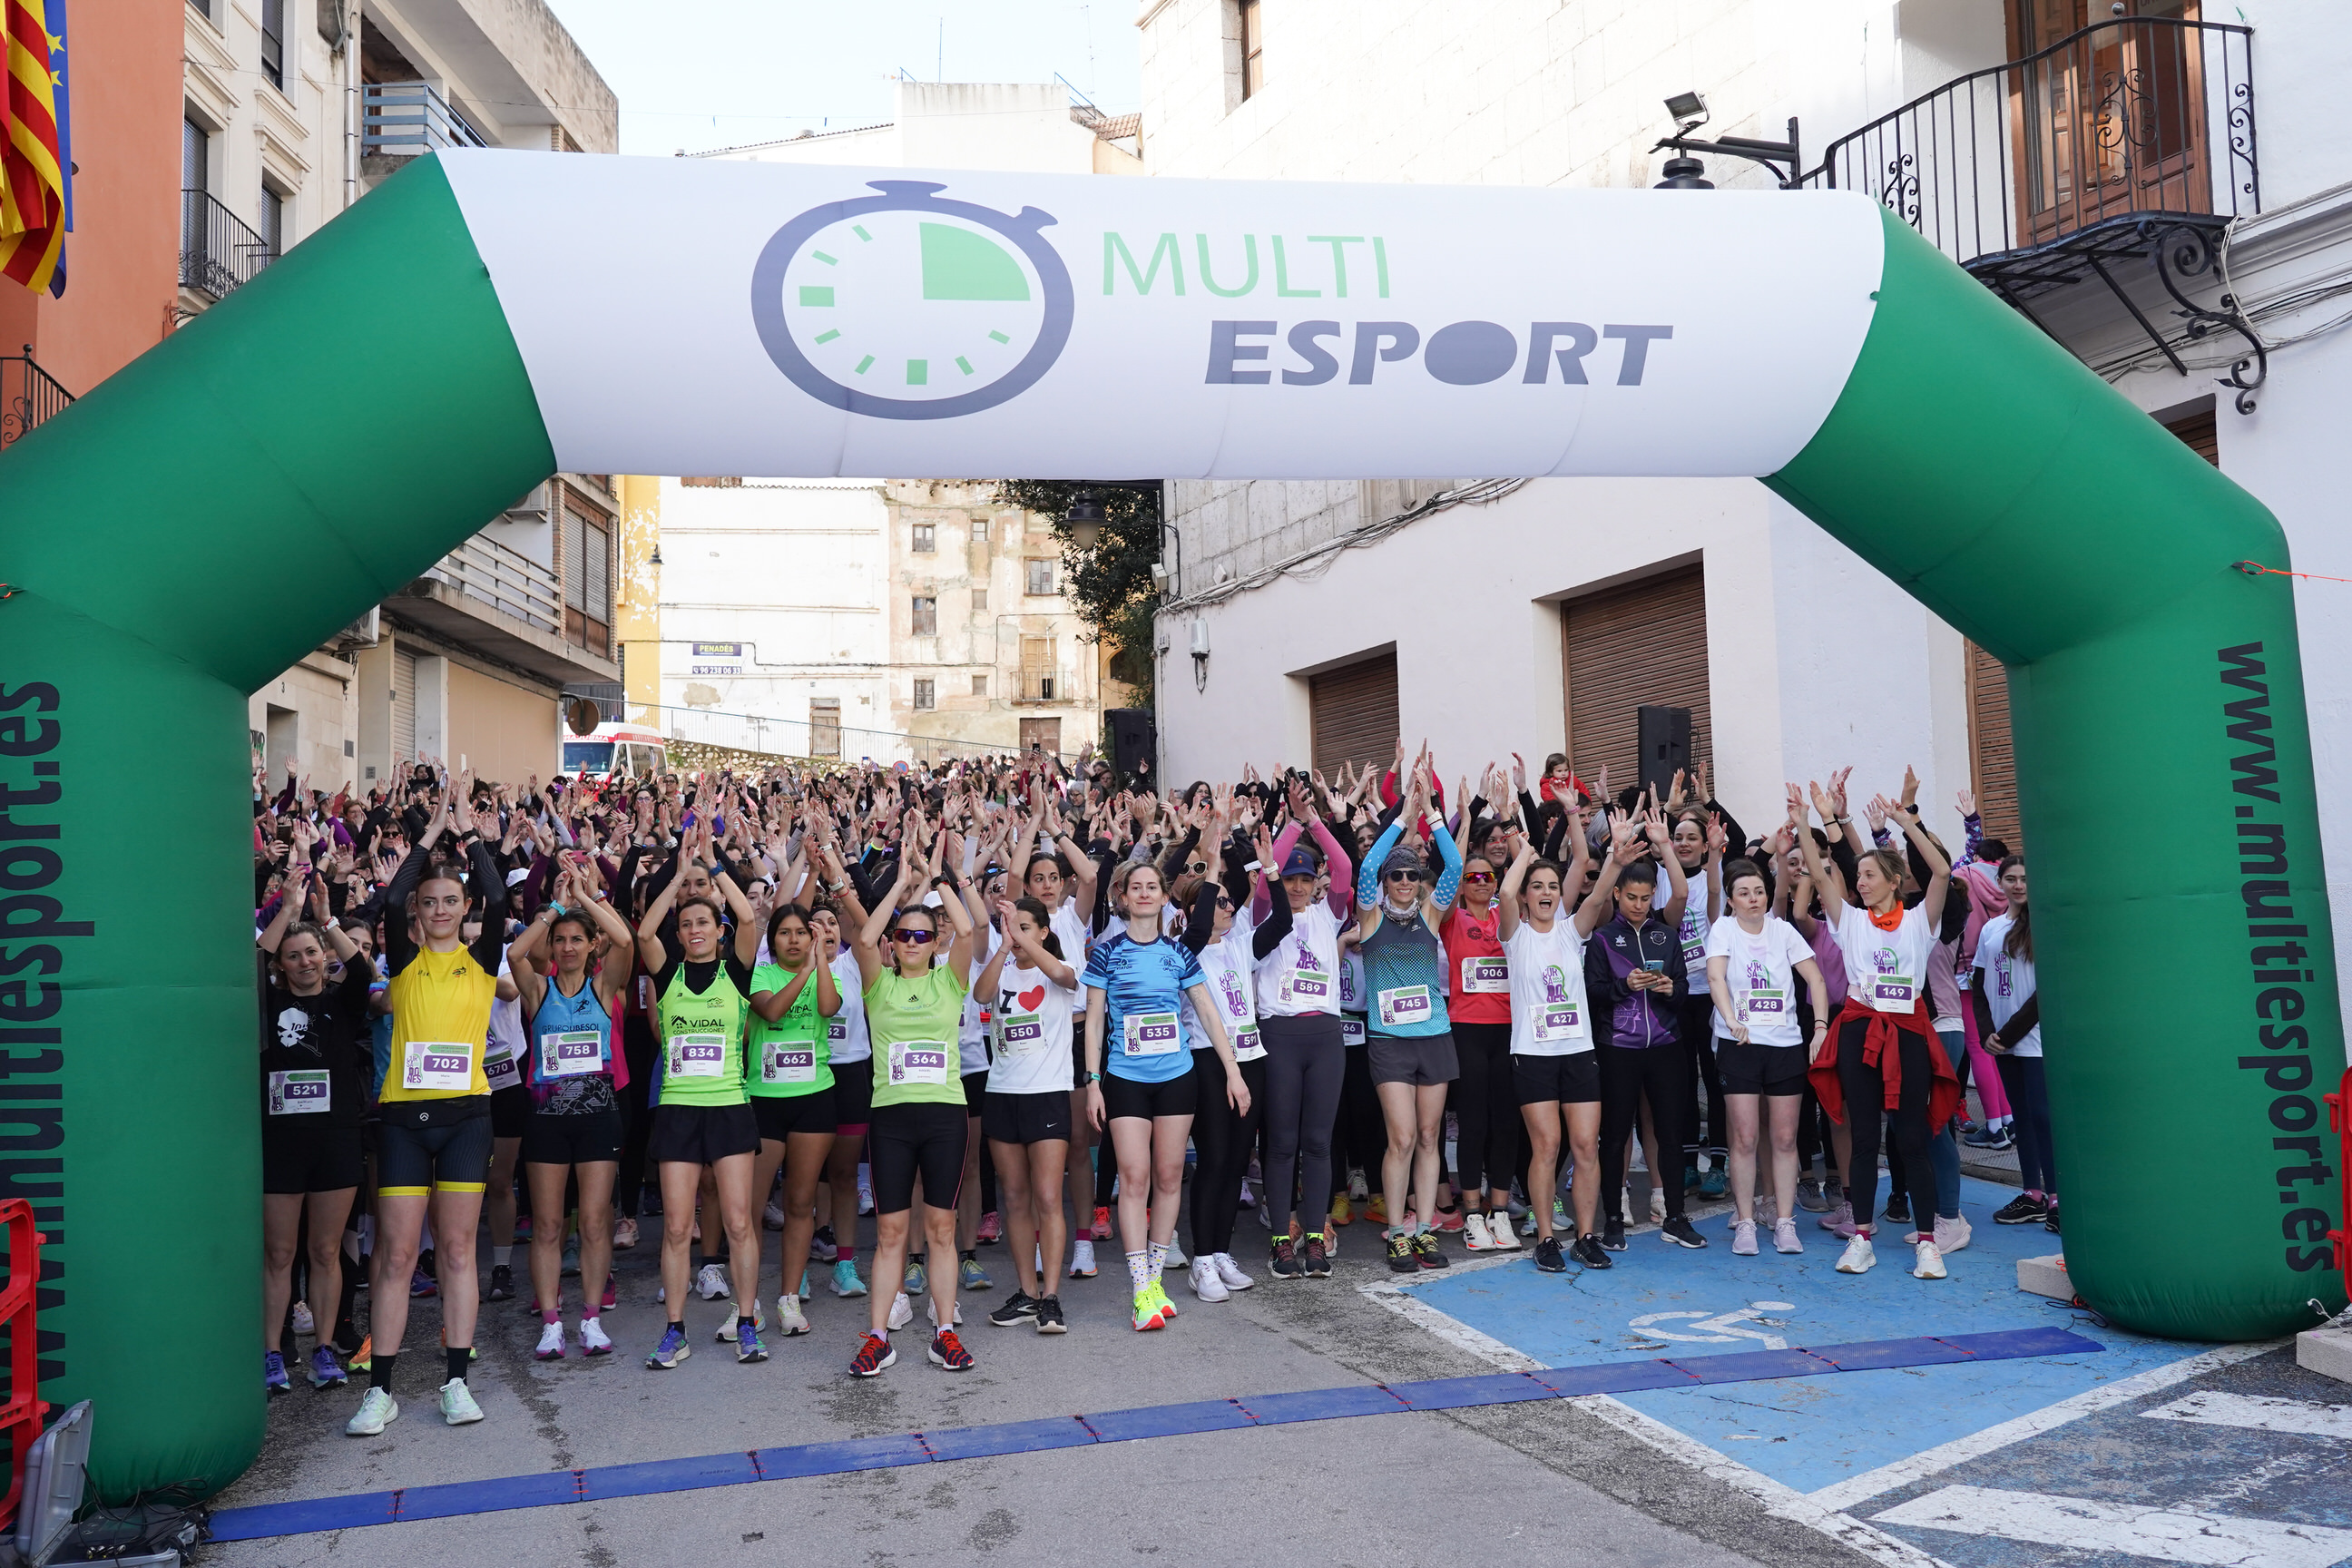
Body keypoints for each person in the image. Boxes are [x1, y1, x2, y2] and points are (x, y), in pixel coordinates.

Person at [348, 774, 506, 1436]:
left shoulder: (483, 961)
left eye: (451, 901)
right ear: (417, 913)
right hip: (404, 1123)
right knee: (397, 1255)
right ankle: (380, 1391)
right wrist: (432, 833)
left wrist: (466, 829)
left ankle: (456, 1382)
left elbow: (498, 894)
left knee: (460, 1251)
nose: (441, 910)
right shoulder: (404, 961)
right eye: (431, 902)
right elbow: (387, 896)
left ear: (462, 908)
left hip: (467, 1115)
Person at [1792, 784, 1959, 1280]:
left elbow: (1943, 871)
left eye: (1868, 875)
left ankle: (1928, 1243)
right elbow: (1821, 873)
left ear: (1892, 880)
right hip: (1859, 1033)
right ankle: (1861, 1236)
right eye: (1858, 875)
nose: (1859, 882)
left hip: (1906, 1033)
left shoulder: (1918, 921)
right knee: (1864, 1139)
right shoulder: (1850, 921)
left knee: (1911, 1138)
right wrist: (1809, 820)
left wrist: (1907, 823)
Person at [1084, 860, 1247, 1330]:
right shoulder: (1106, 953)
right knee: (1134, 1178)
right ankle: (1140, 1287)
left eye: (1152, 887)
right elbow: (1094, 1021)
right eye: (1136, 887)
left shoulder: (1179, 954)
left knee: (1170, 1176)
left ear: (1162, 897)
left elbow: (1210, 1015)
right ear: (1125, 896)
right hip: (1125, 1078)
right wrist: (1092, 1080)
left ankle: (1156, 1281)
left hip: (1178, 1075)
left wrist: (1233, 1072)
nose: (1143, 894)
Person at [849, 814, 980, 1377]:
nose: (912, 941)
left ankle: (943, 1330)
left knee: (943, 1228)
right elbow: (861, 937)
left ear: (934, 944)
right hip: (892, 1119)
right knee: (890, 1231)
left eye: (923, 935)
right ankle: (878, 1335)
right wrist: (903, 889)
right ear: (894, 943)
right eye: (904, 935)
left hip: (946, 1114)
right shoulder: (878, 983)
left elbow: (970, 932)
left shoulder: (949, 980)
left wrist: (939, 879)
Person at [634, 818, 766, 1368]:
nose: (693, 929)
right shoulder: (665, 975)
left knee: (738, 1222)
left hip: (730, 1109)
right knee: (679, 1227)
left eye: (703, 922)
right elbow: (644, 933)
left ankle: (748, 1321)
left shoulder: (737, 973)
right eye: (686, 923)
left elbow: (751, 916)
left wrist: (712, 866)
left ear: (717, 929)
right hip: (679, 1111)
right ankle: (675, 1330)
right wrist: (679, 874)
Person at [507, 857, 637, 1362]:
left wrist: (586, 898)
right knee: (546, 1224)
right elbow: (518, 951)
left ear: (590, 947)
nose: (566, 947)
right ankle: (550, 1323)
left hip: (598, 1118)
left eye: (576, 940)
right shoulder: (537, 990)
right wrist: (556, 906)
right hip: (545, 1122)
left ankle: (590, 1318)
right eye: (560, 940)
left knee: (596, 1221)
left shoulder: (603, 988)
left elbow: (625, 941)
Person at [258, 857, 370, 1394]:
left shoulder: (342, 1002)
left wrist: (326, 920)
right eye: (293, 956)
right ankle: (273, 1353)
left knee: (326, 1252)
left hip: (338, 1141)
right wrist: (289, 908)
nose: (305, 963)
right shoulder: (269, 1001)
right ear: (282, 965)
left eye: (312, 955)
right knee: (280, 1254)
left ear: (324, 959)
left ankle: (325, 1349)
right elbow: (251, 961)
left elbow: (365, 973)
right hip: (281, 1145)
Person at [1352, 752, 1463, 1273]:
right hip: (1390, 1041)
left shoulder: (1432, 915)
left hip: (1434, 1036)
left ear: (1419, 882)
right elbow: (1367, 866)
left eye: (1409, 874)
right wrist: (1403, 814)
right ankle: (1396, 1229)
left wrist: (1434, 816)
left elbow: (1456, 867)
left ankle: (1424, 1228)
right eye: (1395, 874)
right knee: (1399, 1137)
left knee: (1427, 1137)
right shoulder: (1370, 917)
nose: (1400, 879)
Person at [1500, 808, 1622, 1270]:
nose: (1547, 892)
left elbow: (1599, 891)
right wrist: (1525, 856)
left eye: (1553, 886)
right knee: (1547, 1146)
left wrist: (1616, 853)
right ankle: (1547, 1237)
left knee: (1586, 1145)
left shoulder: (1573, 933)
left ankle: (1586, 1235)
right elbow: (1506, 890)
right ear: (1528, 897)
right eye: (1539, 886)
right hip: (1532, 1055)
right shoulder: (1515, 937)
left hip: (1578, 1053)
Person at [1585, 809, 1701, 1251]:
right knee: (1614, 1135)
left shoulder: (1665, 935)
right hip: (1618, 1048)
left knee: (1671, 1132)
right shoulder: (1601, 939)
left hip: (1667, 1047)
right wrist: (1622, 986)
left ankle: (1675, 1215)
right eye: (1630, 897)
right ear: (1617, 894)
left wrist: (1671, 988)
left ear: (1654, 895)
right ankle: (1613, 1219)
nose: (1638, 904)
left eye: (1645, 897)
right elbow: (1592, 992)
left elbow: (1684, 988)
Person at [1251, 782, 1354, 1279]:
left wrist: (1313, 821)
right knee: (1281, 1144)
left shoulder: (1327, 913)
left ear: (1315, 882)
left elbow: (1345, 869)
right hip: (1280, 1036)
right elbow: (1268, 877)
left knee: (1318, 1141)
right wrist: (1291, 823)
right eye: (1288, 878)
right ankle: (1281, 1242)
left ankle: (1315, 1237)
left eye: (1303, 879)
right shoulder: (1264, 913)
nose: (1295, 886)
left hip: (1325, 1037)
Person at [1703, 855, 1829, 1257]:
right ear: (1732, 899)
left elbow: (1815, 977)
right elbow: (1715, 976)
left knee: (1785, 1138)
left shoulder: (1783, 931)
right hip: (1738, 1046)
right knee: (1743, 1137)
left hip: (1785, 1046)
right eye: (1744, 893)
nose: (1753, 899)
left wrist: (1821, 1027)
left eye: (1759, 891)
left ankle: (1785, 1222)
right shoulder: (1723, 929)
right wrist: (1730, 1017)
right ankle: (1745, 1221)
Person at [1177, 786, 1268, 1300]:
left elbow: (1259, 902)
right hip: (1207, 1060)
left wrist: (1232, 837)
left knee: (1237, 1160)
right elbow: (1205, 901)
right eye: (1219, 902)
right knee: (1212, 1159)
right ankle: (1202, 1260)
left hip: (1249, 1059)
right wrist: (1209, 865)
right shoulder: (1183, 949)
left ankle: (1222, 1251)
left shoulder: (1236, 943)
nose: (1229, 906)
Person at [974, 896, 1078, 1332]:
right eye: (1009, 926)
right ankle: (1027, 1293)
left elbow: (1059, 974)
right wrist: (1002, 946)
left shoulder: (1060, 968)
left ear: (1043, 931)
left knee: (1049, 1198)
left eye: (1025, 927)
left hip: (1048, 1094)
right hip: (1002, 1093)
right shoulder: (1001, 968)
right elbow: (980, 994)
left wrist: (1024, 941)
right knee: (1014, 1199)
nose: (1015, 934)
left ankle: (1050, 1295)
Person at [746, 898, 842, 1339]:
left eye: (802, 932)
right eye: (785, 933)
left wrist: (818, 962)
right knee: (750, 1207)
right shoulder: (762, 974)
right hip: (765, 1099)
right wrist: (803, 969)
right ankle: (745, 1304)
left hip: (814, 1098)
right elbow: (771, 1011)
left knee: (801, 1203)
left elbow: (826, 1008)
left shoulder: (826, 970)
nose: (794, 939)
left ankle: (788, 1297)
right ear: (773, 940)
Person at [1444, 769, 1518, 1253]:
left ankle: (1499, 1209)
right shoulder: (1452, 917)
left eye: (1486, 877)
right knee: (1472, 1120)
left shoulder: (1506, 912)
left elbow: (1517, 872)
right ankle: (1471, 1212)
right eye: (1471, 877)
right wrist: (1467, 819)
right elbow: (1452, 871)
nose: (1479, 882)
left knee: (1505, 1121)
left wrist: (1508, 816)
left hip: (1508, 1030)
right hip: (1467, 1027)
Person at [1972, 857, 2055, 1230]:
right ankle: (2032, 1194)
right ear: (2000, 882)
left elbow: (2044, 994)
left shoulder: (2045, 925)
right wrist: (1989, 1031)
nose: (2019, 885)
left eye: (2025, 878)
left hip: (2033, 1041)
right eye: (2011, 878)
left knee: (2042, 1117)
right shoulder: (1991, 929)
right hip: (2003, 1043)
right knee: (2021, 1119)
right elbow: (1978, 986)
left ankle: (2056, 1197)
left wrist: (2006, 1035)